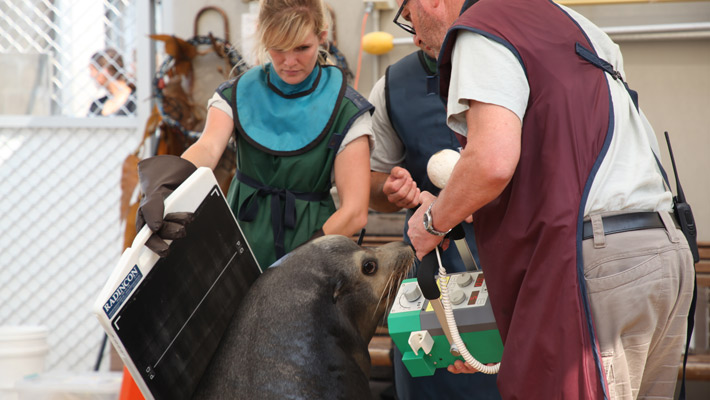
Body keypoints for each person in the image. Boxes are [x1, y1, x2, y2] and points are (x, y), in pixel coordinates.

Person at [397, 0, 695, 399]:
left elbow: (491, 163)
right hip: (664, 252)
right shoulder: (578, 23)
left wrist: (433, 222)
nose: (414, 35)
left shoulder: (481, 27)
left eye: (408, 16)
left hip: (595, 261)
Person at [135, 0, 373, 270]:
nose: (290, 61)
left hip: (315, 248)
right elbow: (208, 148)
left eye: (302, 48)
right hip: (239, 241)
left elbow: (354, 213)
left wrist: (295, 266)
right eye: (278, 48)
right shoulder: (237, 94)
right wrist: (165, 187)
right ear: (262, 36)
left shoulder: (346, 108)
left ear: (322, 37)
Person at [368, 43, 500, 399]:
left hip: (509, 274)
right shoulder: (393, 86)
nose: (411, 26)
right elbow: (373, 183)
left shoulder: (508, 64)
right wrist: (392, 188)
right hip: (432, 280)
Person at [88, 48, 137, 116]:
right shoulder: (97, 105)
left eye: (92, 70)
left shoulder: (136, 100)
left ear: (104, 71)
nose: (91, 75)